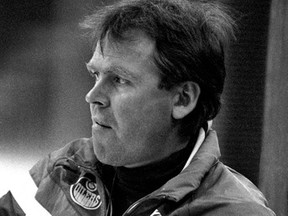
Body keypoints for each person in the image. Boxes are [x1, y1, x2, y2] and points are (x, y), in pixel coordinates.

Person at [30, 0, 275, 215]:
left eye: (119, 80)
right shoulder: (63, 171)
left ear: (183, 99)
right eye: (96, 74)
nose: (93, 96)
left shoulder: (235, 211)